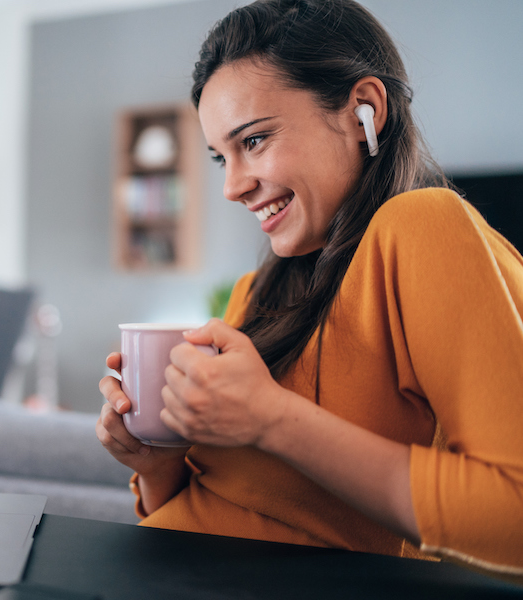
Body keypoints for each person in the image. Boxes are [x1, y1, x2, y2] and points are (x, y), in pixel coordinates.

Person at [97, 0, 523, 574]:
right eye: (221, 156)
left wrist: (271, 419)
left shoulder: (421, 228)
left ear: (363, 110)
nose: (233, 187)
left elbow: (513, 514)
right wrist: (152, 461)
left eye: (253, 141)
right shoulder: (258, 293)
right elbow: (194, 515)